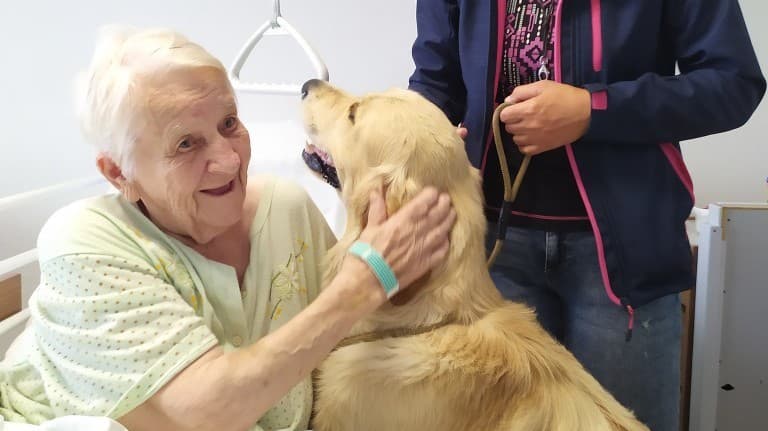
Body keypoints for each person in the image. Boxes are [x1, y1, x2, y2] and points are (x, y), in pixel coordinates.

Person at [0, 26, 455, 431]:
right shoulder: (82, 242)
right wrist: (362, 282)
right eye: (185, 143)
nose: (230, 160)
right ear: (120, 173)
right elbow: (204, 414)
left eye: (229, 123)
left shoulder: (284, 206)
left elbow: (364, 324)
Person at [408, 1, 765, 429]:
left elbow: (732, 83)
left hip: (623, 259)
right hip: (490, 253)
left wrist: (592, 110)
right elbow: (436, 83)